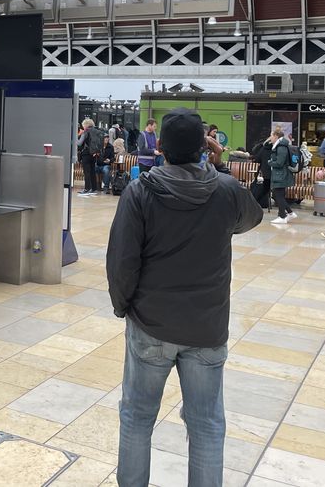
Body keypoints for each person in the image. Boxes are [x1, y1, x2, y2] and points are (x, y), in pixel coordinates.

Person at [107, 108, 263, 487]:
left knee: (137, 416)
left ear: (159, 147)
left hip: (151, 324)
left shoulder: (140, 191)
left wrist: (123, 306)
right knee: (207, 424)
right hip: (207, 329)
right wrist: (220, 166)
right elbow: (251, 218)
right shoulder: (225, 190)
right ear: (205, 146)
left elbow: (122, 260)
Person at [267, 127, 296, 224]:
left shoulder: (281, 147)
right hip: (280, 174)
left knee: (277, 195)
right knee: (278, 195)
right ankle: (290, 213)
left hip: (281, 175)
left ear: (276, 136)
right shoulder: (279, 145)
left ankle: (282, 216)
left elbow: (279, 163)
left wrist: (270, 162)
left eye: (271, 135)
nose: (270, 137)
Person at [77, 119, 104, 196]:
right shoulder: (97, 132)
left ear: (85, 125)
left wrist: (75, 139)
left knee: (86, 172)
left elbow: (79, 143)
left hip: (86, 154)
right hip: (94, 154)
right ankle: (94, 188)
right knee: (92, 171)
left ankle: (87, 188)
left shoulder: (86, 132)